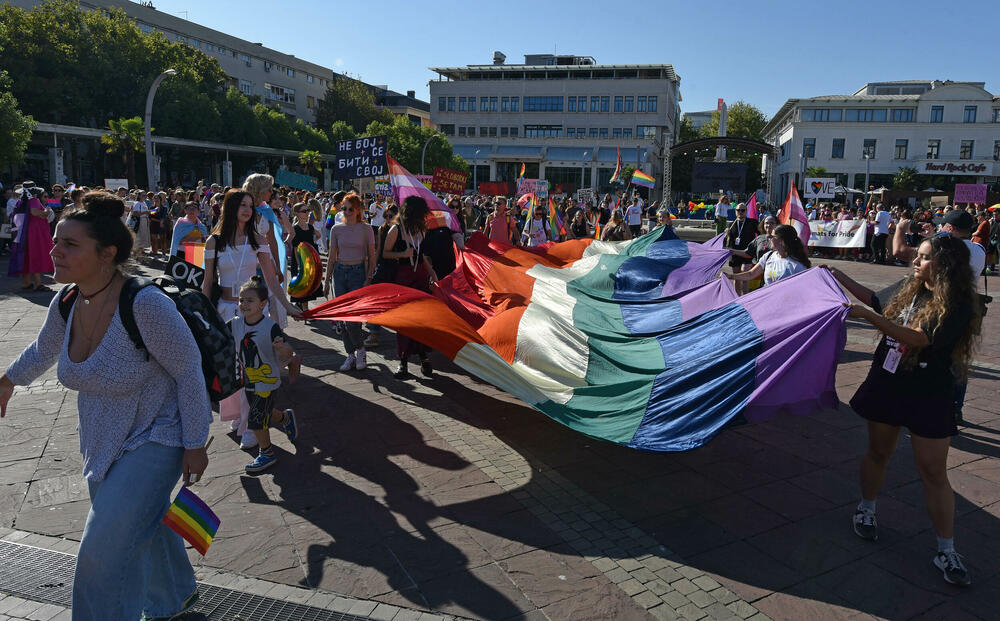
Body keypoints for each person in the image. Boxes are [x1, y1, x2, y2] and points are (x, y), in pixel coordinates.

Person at [0, 191, 211, 620]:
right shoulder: (68, 302)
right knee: (140, 525)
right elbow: (42, 351)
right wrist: (5, 382)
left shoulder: (145, 304)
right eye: (56, 241)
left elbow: (189, 371)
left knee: (102, 550)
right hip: (102, 438)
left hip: (159, 435)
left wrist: (194, 443)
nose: (54, 251)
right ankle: (175, 596)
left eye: (69, 245)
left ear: (107, 254)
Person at [841, 235, 980, 587]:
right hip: (889, 382)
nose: (915, 262)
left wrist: (867, 318)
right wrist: (837, 277)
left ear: (945, 264)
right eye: (916, 256)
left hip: (929, 392)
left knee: (933, 471)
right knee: (878, 451)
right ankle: (867, 509)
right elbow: (876, 299)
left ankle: (946, 549)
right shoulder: (910, 286)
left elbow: (919, 338)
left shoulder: (960, 303)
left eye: (924, 257)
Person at [230, 276, 298, 473]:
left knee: (256, 419)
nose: (244, 304)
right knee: (265, 412)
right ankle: (285, 418)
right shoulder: (235, 324)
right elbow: (219, 334)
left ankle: (266, 453)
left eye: (250, 300)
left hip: (268, 382)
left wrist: (282, 348)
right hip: (248, 380)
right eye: (241, 300)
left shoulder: (270, 327)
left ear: (263, 304)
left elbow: (288, 351)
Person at [381, 196, 440, 378]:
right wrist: (403, 253)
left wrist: (433, 275)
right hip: (403, 277)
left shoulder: (421, 229)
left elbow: (422, 256)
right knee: (404, 321)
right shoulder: (395, 229)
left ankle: (423, 357)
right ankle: (403, 361)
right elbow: (384, 253)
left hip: (420, 276)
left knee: (421, 320)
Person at [324, 193, 376, 371]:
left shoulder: (366, 229)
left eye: (350, 209)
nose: (346, 212)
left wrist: (369, 278)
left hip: (358, 273)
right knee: (341, 317)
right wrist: (326, 280)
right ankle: (350, 354)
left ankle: (361, 350)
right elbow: (331, 256)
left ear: (358, 210)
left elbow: (372, 255)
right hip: (339, 272)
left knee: (353, 319)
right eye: (344, 208)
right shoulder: (336, 229)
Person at [727, 224, 810, 287]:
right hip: (767, 303)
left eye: (772, 236)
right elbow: (751, 274)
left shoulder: (797, 266)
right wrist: (730, 276)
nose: (768, 239)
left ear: (781, 240)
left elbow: (804, 288)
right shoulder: (768, 256)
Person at [7, 183, 55, 290]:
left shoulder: (20, 202)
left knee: (27, 255)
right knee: (36, 254)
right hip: (34, 232)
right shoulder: (33, 200)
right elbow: (34, 212)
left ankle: (26, 282)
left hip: (25, 233)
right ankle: (38, 283)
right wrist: (46, 211)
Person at [289, 202, 321, 311]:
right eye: (304, 211)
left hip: (309, 259)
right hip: (300, 260)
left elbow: (318, 235)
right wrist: (299, 265)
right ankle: (305, 311)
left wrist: (313, 244)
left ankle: (302, 306)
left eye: (308, 210)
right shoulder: (294, 228)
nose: (307, 213)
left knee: (310, 284)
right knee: (303, 286)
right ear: (297, 214)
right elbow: (295, 248)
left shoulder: (310, 227)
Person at [724, 203, 758, 295]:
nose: (740, 212)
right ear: (735, 212)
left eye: (743, 210)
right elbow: (727, 241)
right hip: (735, 253)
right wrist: (726, 234)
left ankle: (745, 297)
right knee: (736, 277)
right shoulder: (731, 224)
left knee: (744, 273)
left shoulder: (752, 222)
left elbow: (760, 233)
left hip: (747, 252)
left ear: (746, 212)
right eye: (738, 210)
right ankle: (737, 298)